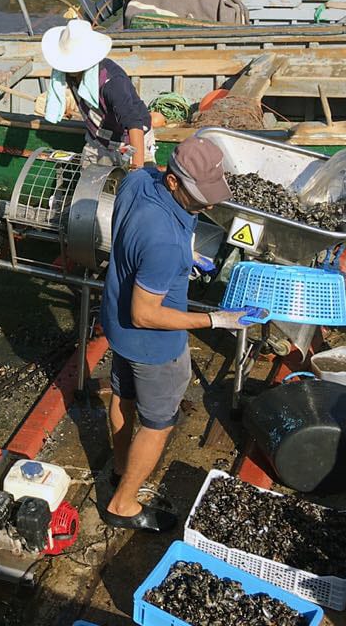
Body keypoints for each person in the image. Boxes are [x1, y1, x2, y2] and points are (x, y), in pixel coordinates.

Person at [99, 135, 250, 531]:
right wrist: (216, 320)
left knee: (122, 394)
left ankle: (119, 469)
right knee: (158, 423)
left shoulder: (139, 179)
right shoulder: (163, 239)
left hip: (117, 326)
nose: (210, 204)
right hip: (153, 345)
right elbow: (147, 314)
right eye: (201, 197)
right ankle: (123, 504)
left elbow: (134, 245)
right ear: (173, 182)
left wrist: (186, 258)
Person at [40, 19, 152, 168]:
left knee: (132, 183)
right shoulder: (69, 73)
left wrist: (137, 170)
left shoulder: (112, 83)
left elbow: (134, 123)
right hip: (98, 138)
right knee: (89, 182)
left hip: (130, 140)